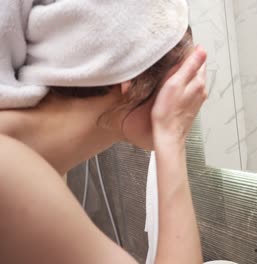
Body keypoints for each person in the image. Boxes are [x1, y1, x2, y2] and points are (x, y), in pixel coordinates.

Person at [0, 1, 206, 263]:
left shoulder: (38, 164)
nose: (194, 91)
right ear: (130, 79)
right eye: (184, 76)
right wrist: (172, 139)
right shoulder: (10, 170)